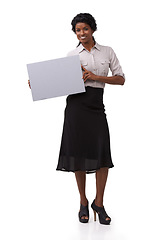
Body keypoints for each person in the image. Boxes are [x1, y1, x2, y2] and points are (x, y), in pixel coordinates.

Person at [28, 13, 125, 225]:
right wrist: (38, 83)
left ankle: (99, 203)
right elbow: (59, 81)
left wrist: (95, 76)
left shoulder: (107, 51)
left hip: (96, 106)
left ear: (92, 29)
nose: (81, 33)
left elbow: (121, 79)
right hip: (76, 108)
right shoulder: (72, 54)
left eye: (85, 29)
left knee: (102, 154)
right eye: (78, 30)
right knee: (78, 154)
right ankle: (83, 201)